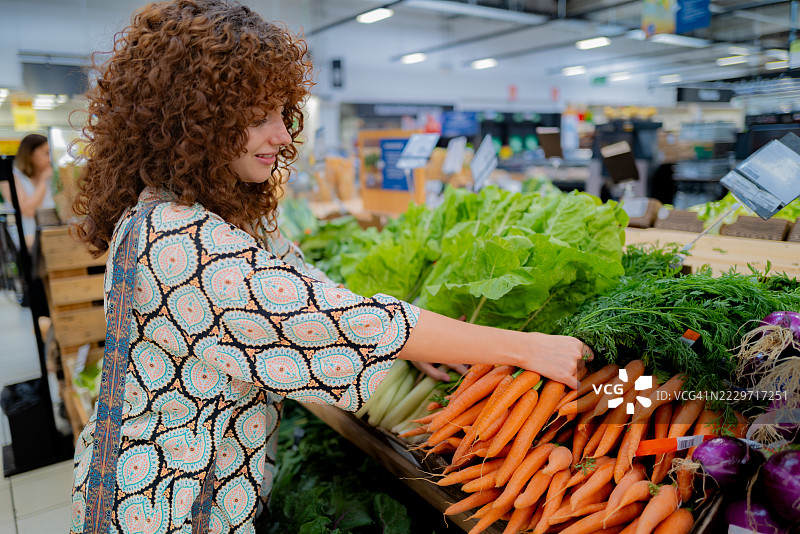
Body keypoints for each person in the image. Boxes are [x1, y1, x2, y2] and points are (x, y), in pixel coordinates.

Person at [69, 1, 593, 533]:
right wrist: (528, 346)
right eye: (258, 117)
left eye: (282, 112)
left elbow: (308, 284)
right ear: (193, 121)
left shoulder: (197, 213)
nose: (283, 136)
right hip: (165, 512)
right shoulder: (180, 241)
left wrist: (423, 348)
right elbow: (330, 317)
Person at [0, 133, 55, 250]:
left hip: (50, 237)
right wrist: (42, 182)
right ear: (30, 155)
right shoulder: (13, 176)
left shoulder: (51, 176)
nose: (50, 158)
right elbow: (27, 210)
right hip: (26, 242)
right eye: (46, 153)